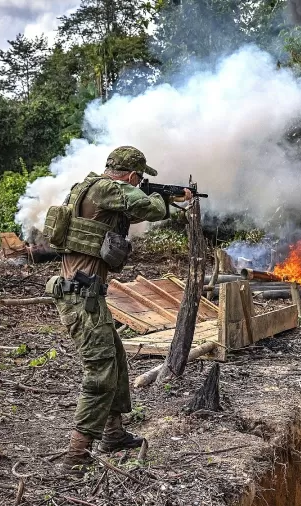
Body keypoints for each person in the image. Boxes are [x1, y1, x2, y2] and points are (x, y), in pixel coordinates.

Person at [45, 146, 191, 474]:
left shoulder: (92, 191)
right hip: (80, 298)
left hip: (84, 296)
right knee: (100, 373)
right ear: (131, 175)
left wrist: (174, 203)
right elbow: (147, 207)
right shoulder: (108, 189)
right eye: (139, 177)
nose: (139, 181)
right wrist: (164, 198)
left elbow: (133, 213)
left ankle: (113, 434)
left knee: (117, 359)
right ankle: (76, 456)